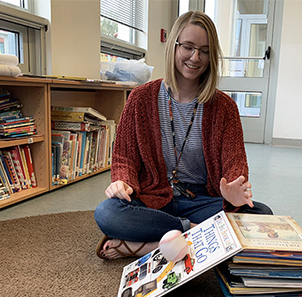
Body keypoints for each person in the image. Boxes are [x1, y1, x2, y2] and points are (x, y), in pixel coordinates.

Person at [94, 10, 272, 260]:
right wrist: (122, 181)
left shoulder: (224, 107)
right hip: (153, 196)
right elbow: (124, 157)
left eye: (205, 51)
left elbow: (235, 164)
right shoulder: (140, 98)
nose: (195, 57)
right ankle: (197, 233)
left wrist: (233, 190)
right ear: (174, 46)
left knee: (261, 216)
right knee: (108, 213)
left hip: (201, 198)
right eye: (188, 47)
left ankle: (147, 245)